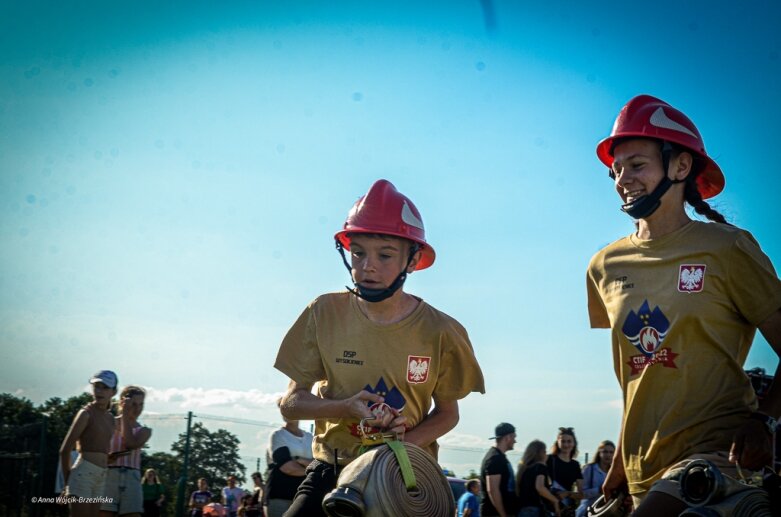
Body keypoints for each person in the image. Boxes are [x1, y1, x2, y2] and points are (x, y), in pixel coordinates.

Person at [587, 94, 781, 515]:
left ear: (680, 166)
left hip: (715, 459)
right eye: (616, 169)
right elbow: (635, 375)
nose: (623, 179)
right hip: (640, 470)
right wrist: (620, 463)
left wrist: (764, 420)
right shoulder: (603, 266)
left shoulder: (728, 248)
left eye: (637, 165)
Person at [274, 179, 485, 516]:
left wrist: (398, 446)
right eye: (358, 253)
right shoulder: (323, 312)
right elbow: (290, 405)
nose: (367, 266)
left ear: (413, 260)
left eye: (385, 255)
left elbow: (448, 413)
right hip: (331, 470)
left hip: (401, 479)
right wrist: (346, 407)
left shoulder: (442, 330)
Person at [59, 370, 118, 517]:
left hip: (101, 476)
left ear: (113, 391)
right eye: (97, 386)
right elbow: (65, 450)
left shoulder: (111, 419)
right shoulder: (85, 413)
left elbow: (99, 447)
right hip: (83, 474)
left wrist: (109, 457)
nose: (99, 391)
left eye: (105, 387)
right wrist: (67, 485)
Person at [100, 385, 152, 517]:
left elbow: (130, 443)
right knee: (104, 512)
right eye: (133, 404)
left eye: (141, 404)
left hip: (132, 477)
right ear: (123, 403)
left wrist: (124, 417)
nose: (137, 408)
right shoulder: (108, 422)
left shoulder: (144, 430)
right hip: (107, 475)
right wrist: (106, 457)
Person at [263, 400, 313, 517]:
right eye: (284, 409)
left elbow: (318, 463)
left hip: (303, 497)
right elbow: (288, 467)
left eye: (292, 409)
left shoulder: (310, 437)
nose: (288, 413)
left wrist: (298, 459)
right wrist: (311, 470)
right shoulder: (278, 436)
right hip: (279, 496)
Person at [479, 423, 518, 517]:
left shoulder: (499, 457)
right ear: (508, 437)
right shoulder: (495, 458)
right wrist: (503, 514)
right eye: (514, 437)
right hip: (494, 514)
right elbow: (492, 490)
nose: (515, 441)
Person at [516, 440, 560, 517]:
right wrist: (555, 500)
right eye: (545, 452)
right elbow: (540, 487)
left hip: (522, 510)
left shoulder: (523, 469)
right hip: (535, 510)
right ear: (541, 453)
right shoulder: (540, 466)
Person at [545, 427, 583, 515]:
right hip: (548, 508)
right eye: (563, 441)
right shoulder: (549, 459)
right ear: (558, 442)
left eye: (569, 441)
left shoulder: (575, 465)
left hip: (565, 509)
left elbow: (581, 494)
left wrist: (567, 494)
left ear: (574, 443)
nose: (566, 445)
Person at [574, 441, 614, 517]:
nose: (608, 455)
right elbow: (580, 494)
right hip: (588, 511)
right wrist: (598, 490)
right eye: (605, 452)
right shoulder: (589, 469)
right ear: (599, 453)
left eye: (611, 452)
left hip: (606, 511)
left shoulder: (614, 473)